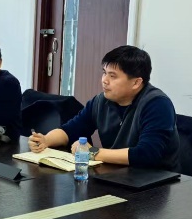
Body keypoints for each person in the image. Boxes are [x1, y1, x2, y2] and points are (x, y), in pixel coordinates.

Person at [28, 46, 179, 170]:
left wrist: (92, 152)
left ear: (136, 83)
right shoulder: (101, 101)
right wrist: (46, 140)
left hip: (154, 183)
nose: (104, 80)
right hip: (117, 174)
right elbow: (71, 129)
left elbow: (147, 154)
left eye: (113, 76)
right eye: (104, 73)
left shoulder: (157, 104)